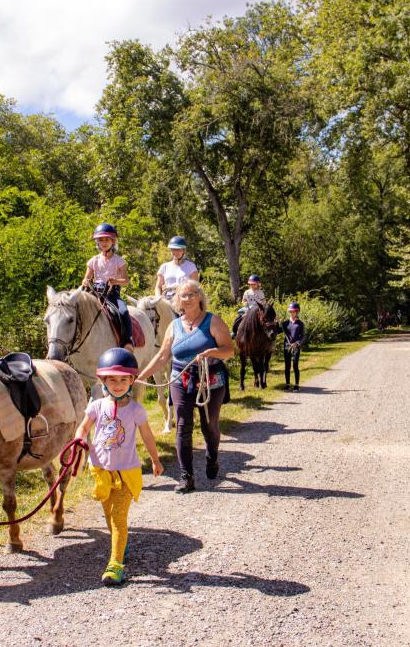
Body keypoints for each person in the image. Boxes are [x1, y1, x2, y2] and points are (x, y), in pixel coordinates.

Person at [74, 348, 164, 586]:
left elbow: (147, 437)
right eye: (112, 379)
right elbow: (83, 428)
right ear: (102, 380)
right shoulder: (96, 406)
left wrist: (155, 459)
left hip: (126, 472)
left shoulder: (136, 410)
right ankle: (119, 544)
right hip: (102, 471)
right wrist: (81, 438)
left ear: (132, 381)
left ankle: (115, 564)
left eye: (123, 379)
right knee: (107, 514)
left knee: (117, 516)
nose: (117, 384)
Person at [136, 279, 233, 494]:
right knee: (182, 425)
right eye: (183, 295)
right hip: (180, 378)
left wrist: (212, 353)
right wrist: (139, 377)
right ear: (177, 300)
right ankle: (186, 477)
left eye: (191, 294)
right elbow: (162, 356)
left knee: (210, 425)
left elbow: (229, 350)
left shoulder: (213, 322)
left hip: (210, 380)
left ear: (199, 297)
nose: (187, 299)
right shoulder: (174, 326)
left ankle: (212, 456)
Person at [81, 222, 133, 350]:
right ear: (97, 243)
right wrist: (86, 281)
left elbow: (126, 280)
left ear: (113, 241)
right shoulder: (93, 260)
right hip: (95, 293)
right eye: (101, 240)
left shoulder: (119, 261)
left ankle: (127, 341)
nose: (104, 243)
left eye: (107, 240)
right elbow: (85, 278)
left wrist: (115, 281)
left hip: (112, 294)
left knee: (123, 311)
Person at [155, 236, 200, 305]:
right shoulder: (164, 267)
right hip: (167, 298)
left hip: (184, 298)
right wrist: (159, 298)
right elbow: (158, 286)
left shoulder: (191, 266)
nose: (175, 252)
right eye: (173, 249)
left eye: (178, 249)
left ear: (183, 251)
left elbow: (195, 287)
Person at [280, 302, 306, 390]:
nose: (292, 313)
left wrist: (297, 343)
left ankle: (296, 385)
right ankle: (287, 384)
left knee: (295, 366)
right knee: (287, 366)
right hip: (287, 346)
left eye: (294, 311)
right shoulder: (285, 323)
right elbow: (277, 330)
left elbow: (303, 337)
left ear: (297, 312)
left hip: (296, 347)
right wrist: (276, 322)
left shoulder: (300, 324)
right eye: (290, 311)